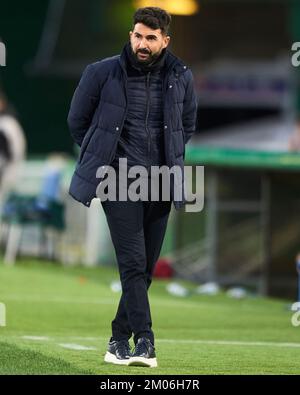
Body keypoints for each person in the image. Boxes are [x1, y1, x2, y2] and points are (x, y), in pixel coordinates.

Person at [67, 7, 197, 367]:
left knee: (146, 268)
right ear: (131, 35)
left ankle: (117, 340)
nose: (142, 43)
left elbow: (187, 125)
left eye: (151, 38)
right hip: (117, 181)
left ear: (164, 41)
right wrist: (104, 157)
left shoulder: (182, 75)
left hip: (159, 183)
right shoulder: (100, 73)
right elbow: (77, 121)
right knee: (133, 262)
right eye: (138, 35)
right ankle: (146, 342)